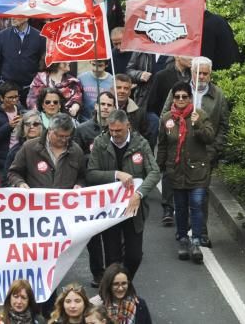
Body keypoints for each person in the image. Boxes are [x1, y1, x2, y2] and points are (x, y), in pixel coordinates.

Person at [158, 56, 229, 247]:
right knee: (181, 199)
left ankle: (201, 233)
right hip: (179, 156)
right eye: (199, 73)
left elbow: (223, 125)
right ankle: (182, 231)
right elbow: (165, 117)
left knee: (200, 198)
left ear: (210, 74)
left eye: (206, 73)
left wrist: (214, 149)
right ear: (192, 72)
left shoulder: (218, 95)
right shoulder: (181, 91)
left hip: (204, 155)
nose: (202, 77)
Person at [86, 109, 160, 279]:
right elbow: (91, 173)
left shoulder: (140, 144)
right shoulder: (100, 143)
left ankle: (123, 281)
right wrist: (116, 174)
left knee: (134, 256)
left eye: (118, 130)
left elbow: (154, 173)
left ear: (128, 126)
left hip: (134, 210)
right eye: (111, 130)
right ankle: (115, 290)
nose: (114, 134)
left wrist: (138, 194)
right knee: (113, 258)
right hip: (110, 209)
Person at [156, 82, 215, 264]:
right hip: (176, 172)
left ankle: (196, 241)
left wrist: (197, 125)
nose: (181, 100)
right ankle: (183, 238)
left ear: (190, 98)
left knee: (196, 204)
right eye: (177, 97)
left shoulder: (200, 115)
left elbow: (209, 137)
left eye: (184, 96)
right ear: (173, 99)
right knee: (180, 208)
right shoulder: (167, 119)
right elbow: (163, 145)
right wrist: (159, 167)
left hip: (197, 172)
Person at [74, 91, 117, 286]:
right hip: (91, 190)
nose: (106, 107)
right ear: (96, 106)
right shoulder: (83, 130)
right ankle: (97, 273)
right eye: (103, 104)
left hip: (112, 191)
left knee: (111, 235)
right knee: (93, 236)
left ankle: (111, 270)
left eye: (110, 104)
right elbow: (76, 157)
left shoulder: (118, 130)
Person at [8, 113, 84, 190]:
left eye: (67, 136)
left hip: (65, 200)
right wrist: (20, 183)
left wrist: (79, 184)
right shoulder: (29, 147)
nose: (64, 139)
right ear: (50, 130)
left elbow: (82, 176)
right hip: (37, 200)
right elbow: (13, 173)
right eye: (60, 136)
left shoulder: (76, 151)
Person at [0, 18, 46, 96]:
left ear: (26, 18)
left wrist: (38, 83)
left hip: (31, 89)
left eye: (17, 14)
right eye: (12, 14)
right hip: (7, 89)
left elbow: (43, 63)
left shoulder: (40, 36)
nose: (13, 18)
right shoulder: (2, 35)